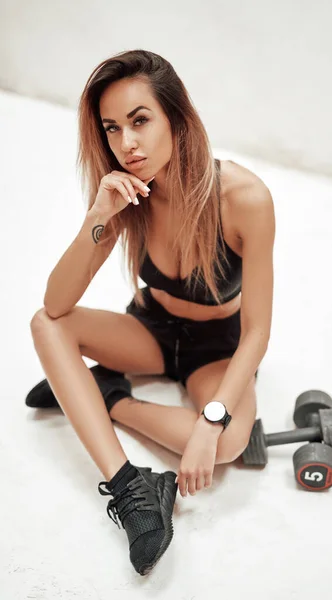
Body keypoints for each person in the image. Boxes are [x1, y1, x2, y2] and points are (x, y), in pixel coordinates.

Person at [25, 49, 275, 576]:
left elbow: (256, 333)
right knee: (45, 325)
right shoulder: (126, 196)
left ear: (177, 118)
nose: (126, 144)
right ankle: (132, 488)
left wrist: (209, 424)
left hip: (217, 346)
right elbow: (55, 304)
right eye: (112, 129)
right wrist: (98, 215)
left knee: (229, 441)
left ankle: (102, 394)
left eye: (140, 121)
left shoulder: (245, 198)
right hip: (150, 331)